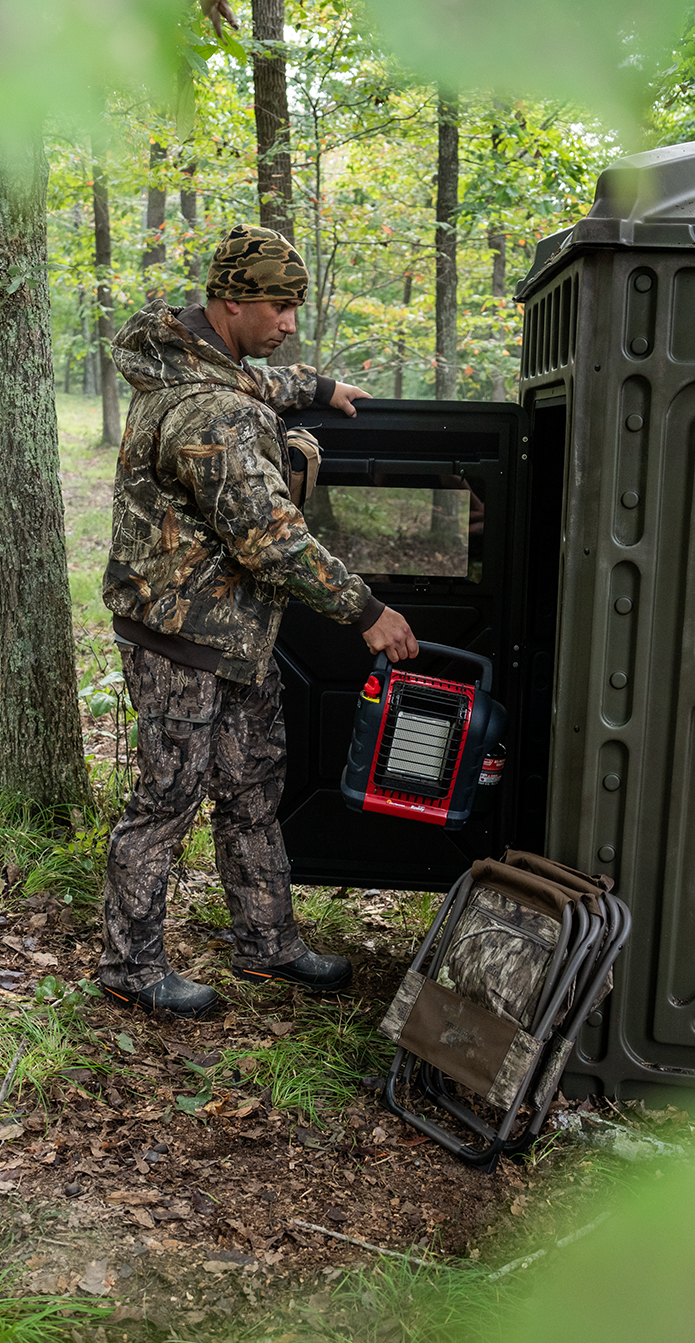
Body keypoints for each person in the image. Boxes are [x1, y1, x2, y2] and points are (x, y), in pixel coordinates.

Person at [99, 223, 418, 1018]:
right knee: (165, 802)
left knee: (250, 787)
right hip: (184, 641)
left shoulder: (202, 372)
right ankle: (129, 965)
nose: (287, 323)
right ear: (232, 301)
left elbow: (252, 386)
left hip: (230, 635)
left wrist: (315, 387)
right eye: (278, 307)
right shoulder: (213, 413)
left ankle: (266, 942)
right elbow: (269, 538)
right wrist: (365, 610)